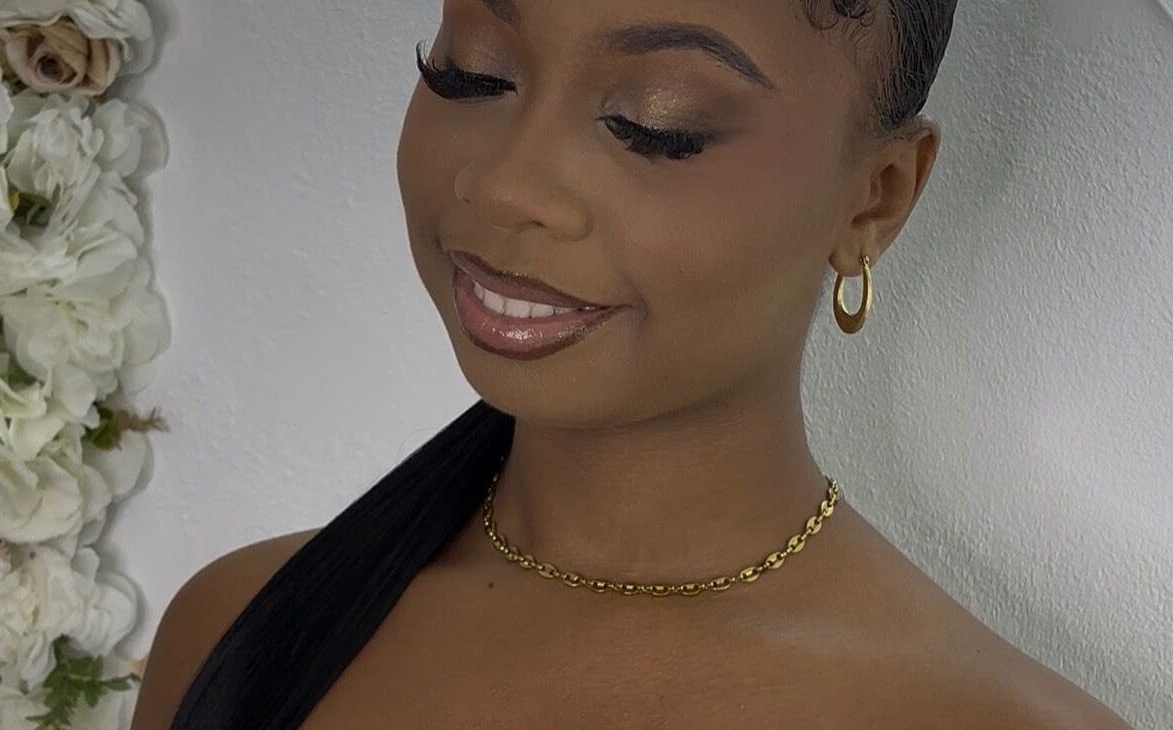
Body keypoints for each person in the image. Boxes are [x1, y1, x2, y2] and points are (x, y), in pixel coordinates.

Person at [132, 1, 1138, 728]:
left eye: (655, 126)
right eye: (472, 74)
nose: (506, 183)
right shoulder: (237, 628)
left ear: (872, 199)